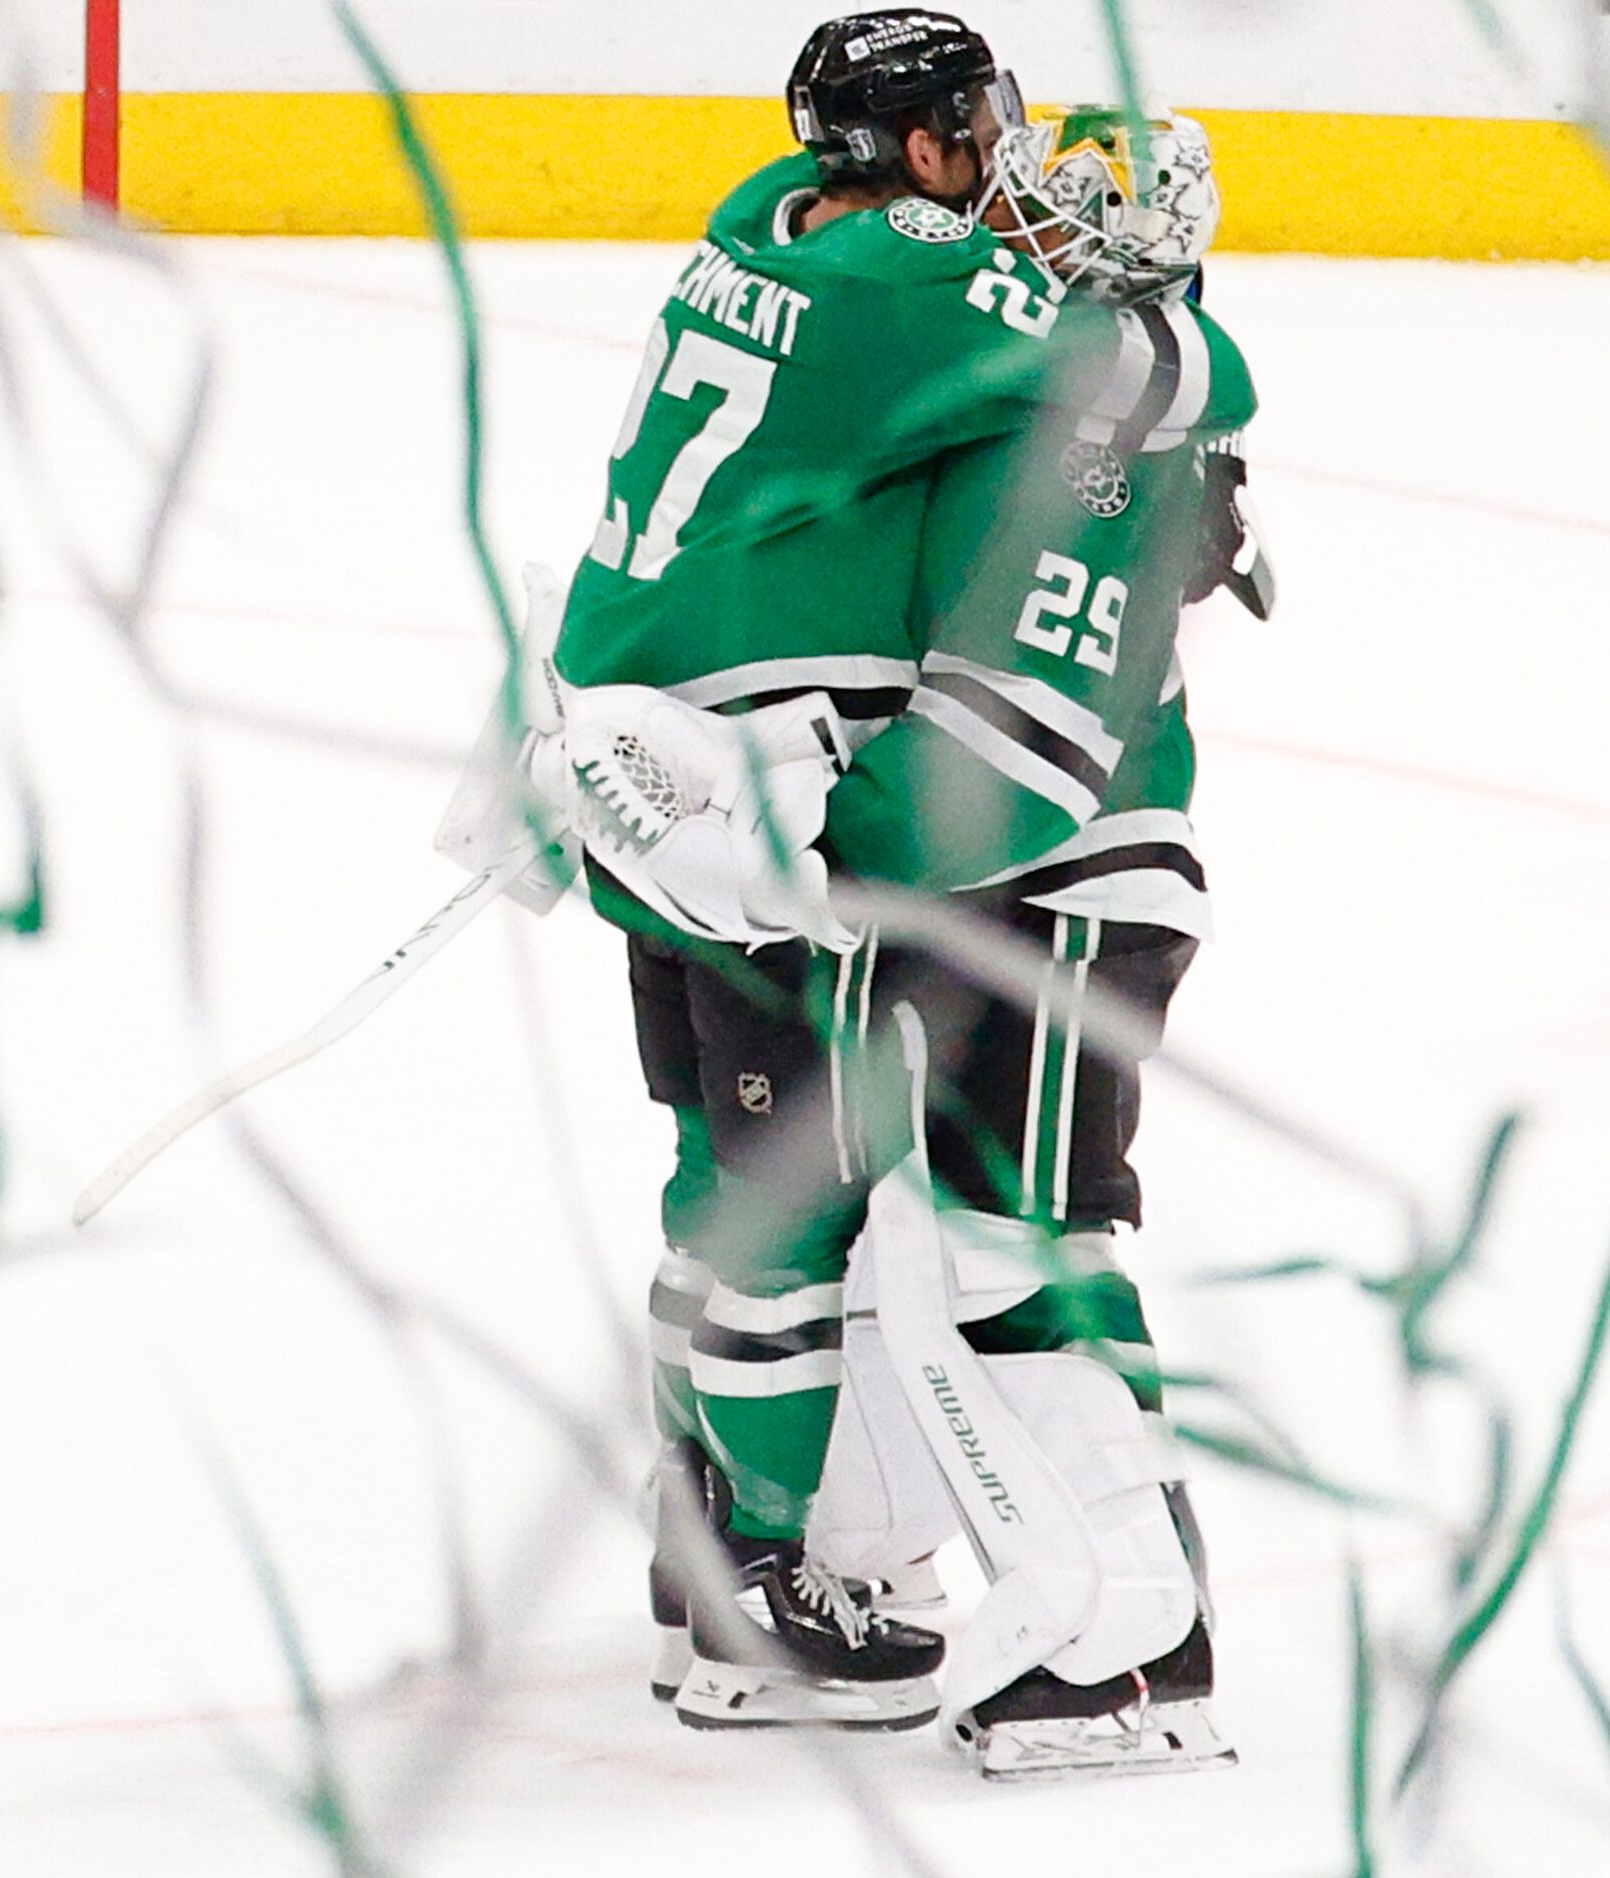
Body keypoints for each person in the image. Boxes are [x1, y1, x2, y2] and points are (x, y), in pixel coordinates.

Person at [459, 13, 1263, 1769]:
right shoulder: (1024, 350)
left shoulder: (766, 230)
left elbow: (1033, 673)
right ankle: (1002, 1616)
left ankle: (866, 1583)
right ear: (922, 152)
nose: (1025, 204)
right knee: (879, 1223)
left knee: (856, 1221)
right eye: (995, 144)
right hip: (861, 848)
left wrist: (774, 845)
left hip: (724, 796)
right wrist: (839, 869)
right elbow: (1139, 449)